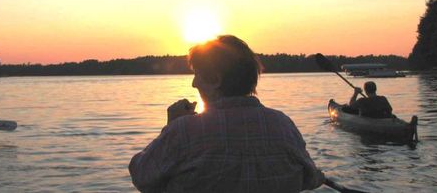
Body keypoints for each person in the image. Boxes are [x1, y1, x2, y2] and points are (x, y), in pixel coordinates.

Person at [129, 35, 324, 192]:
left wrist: (171, 127)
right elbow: (310, 179)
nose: (194, 83)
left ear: (215, 79)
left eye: (197, 73)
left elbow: (142, 176)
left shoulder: (184, 131)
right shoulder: (283, 125)